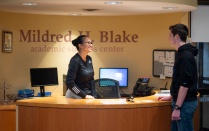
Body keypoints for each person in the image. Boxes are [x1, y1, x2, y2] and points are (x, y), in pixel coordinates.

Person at [158, 23, 198, 131]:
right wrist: (172, 96)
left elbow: (185, 84)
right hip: (181, 102)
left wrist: (177, 107)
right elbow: (179, 80)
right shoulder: (181, 54)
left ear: (176, 36)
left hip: (184, 105)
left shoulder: (185, 56)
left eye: (169, 35)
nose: (168, 37)